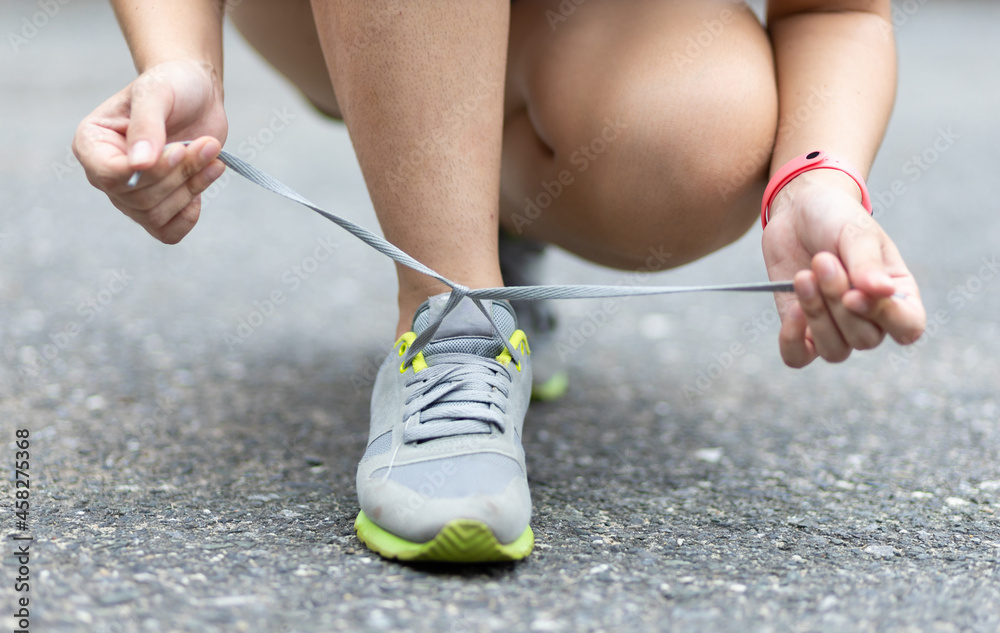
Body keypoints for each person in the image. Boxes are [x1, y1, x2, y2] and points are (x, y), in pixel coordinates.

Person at [73, 0, 926, 563]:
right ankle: (450, 311)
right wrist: (183, 59)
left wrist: (816, 177)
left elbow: (837, 8)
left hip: (573, 32)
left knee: (696, 137)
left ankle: (481, 210)